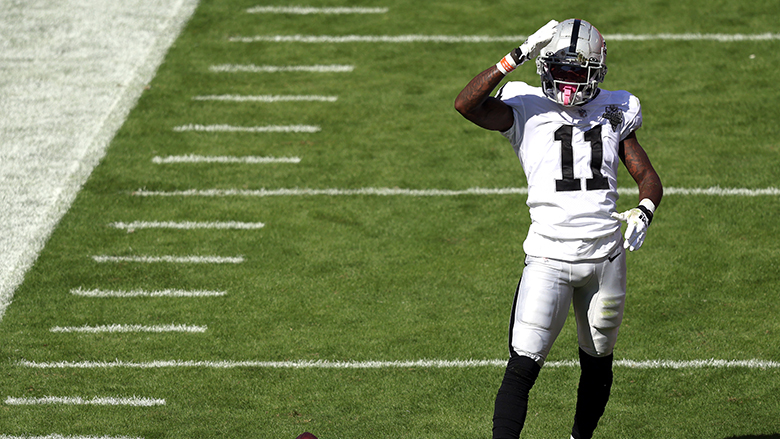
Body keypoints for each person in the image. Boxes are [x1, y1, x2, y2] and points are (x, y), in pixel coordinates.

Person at [454, 19, 663, 439]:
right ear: (544, 66)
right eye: (559, 69)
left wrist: (644, 210)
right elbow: (466, 104)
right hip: (548, 257)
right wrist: (516, 54)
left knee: (598, 363)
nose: (566, 81)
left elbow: (648, 178)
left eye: (576, 71)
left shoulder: (617, 108)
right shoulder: (524, 104)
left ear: (596, 72)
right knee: (522, 367)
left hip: (605, 259)